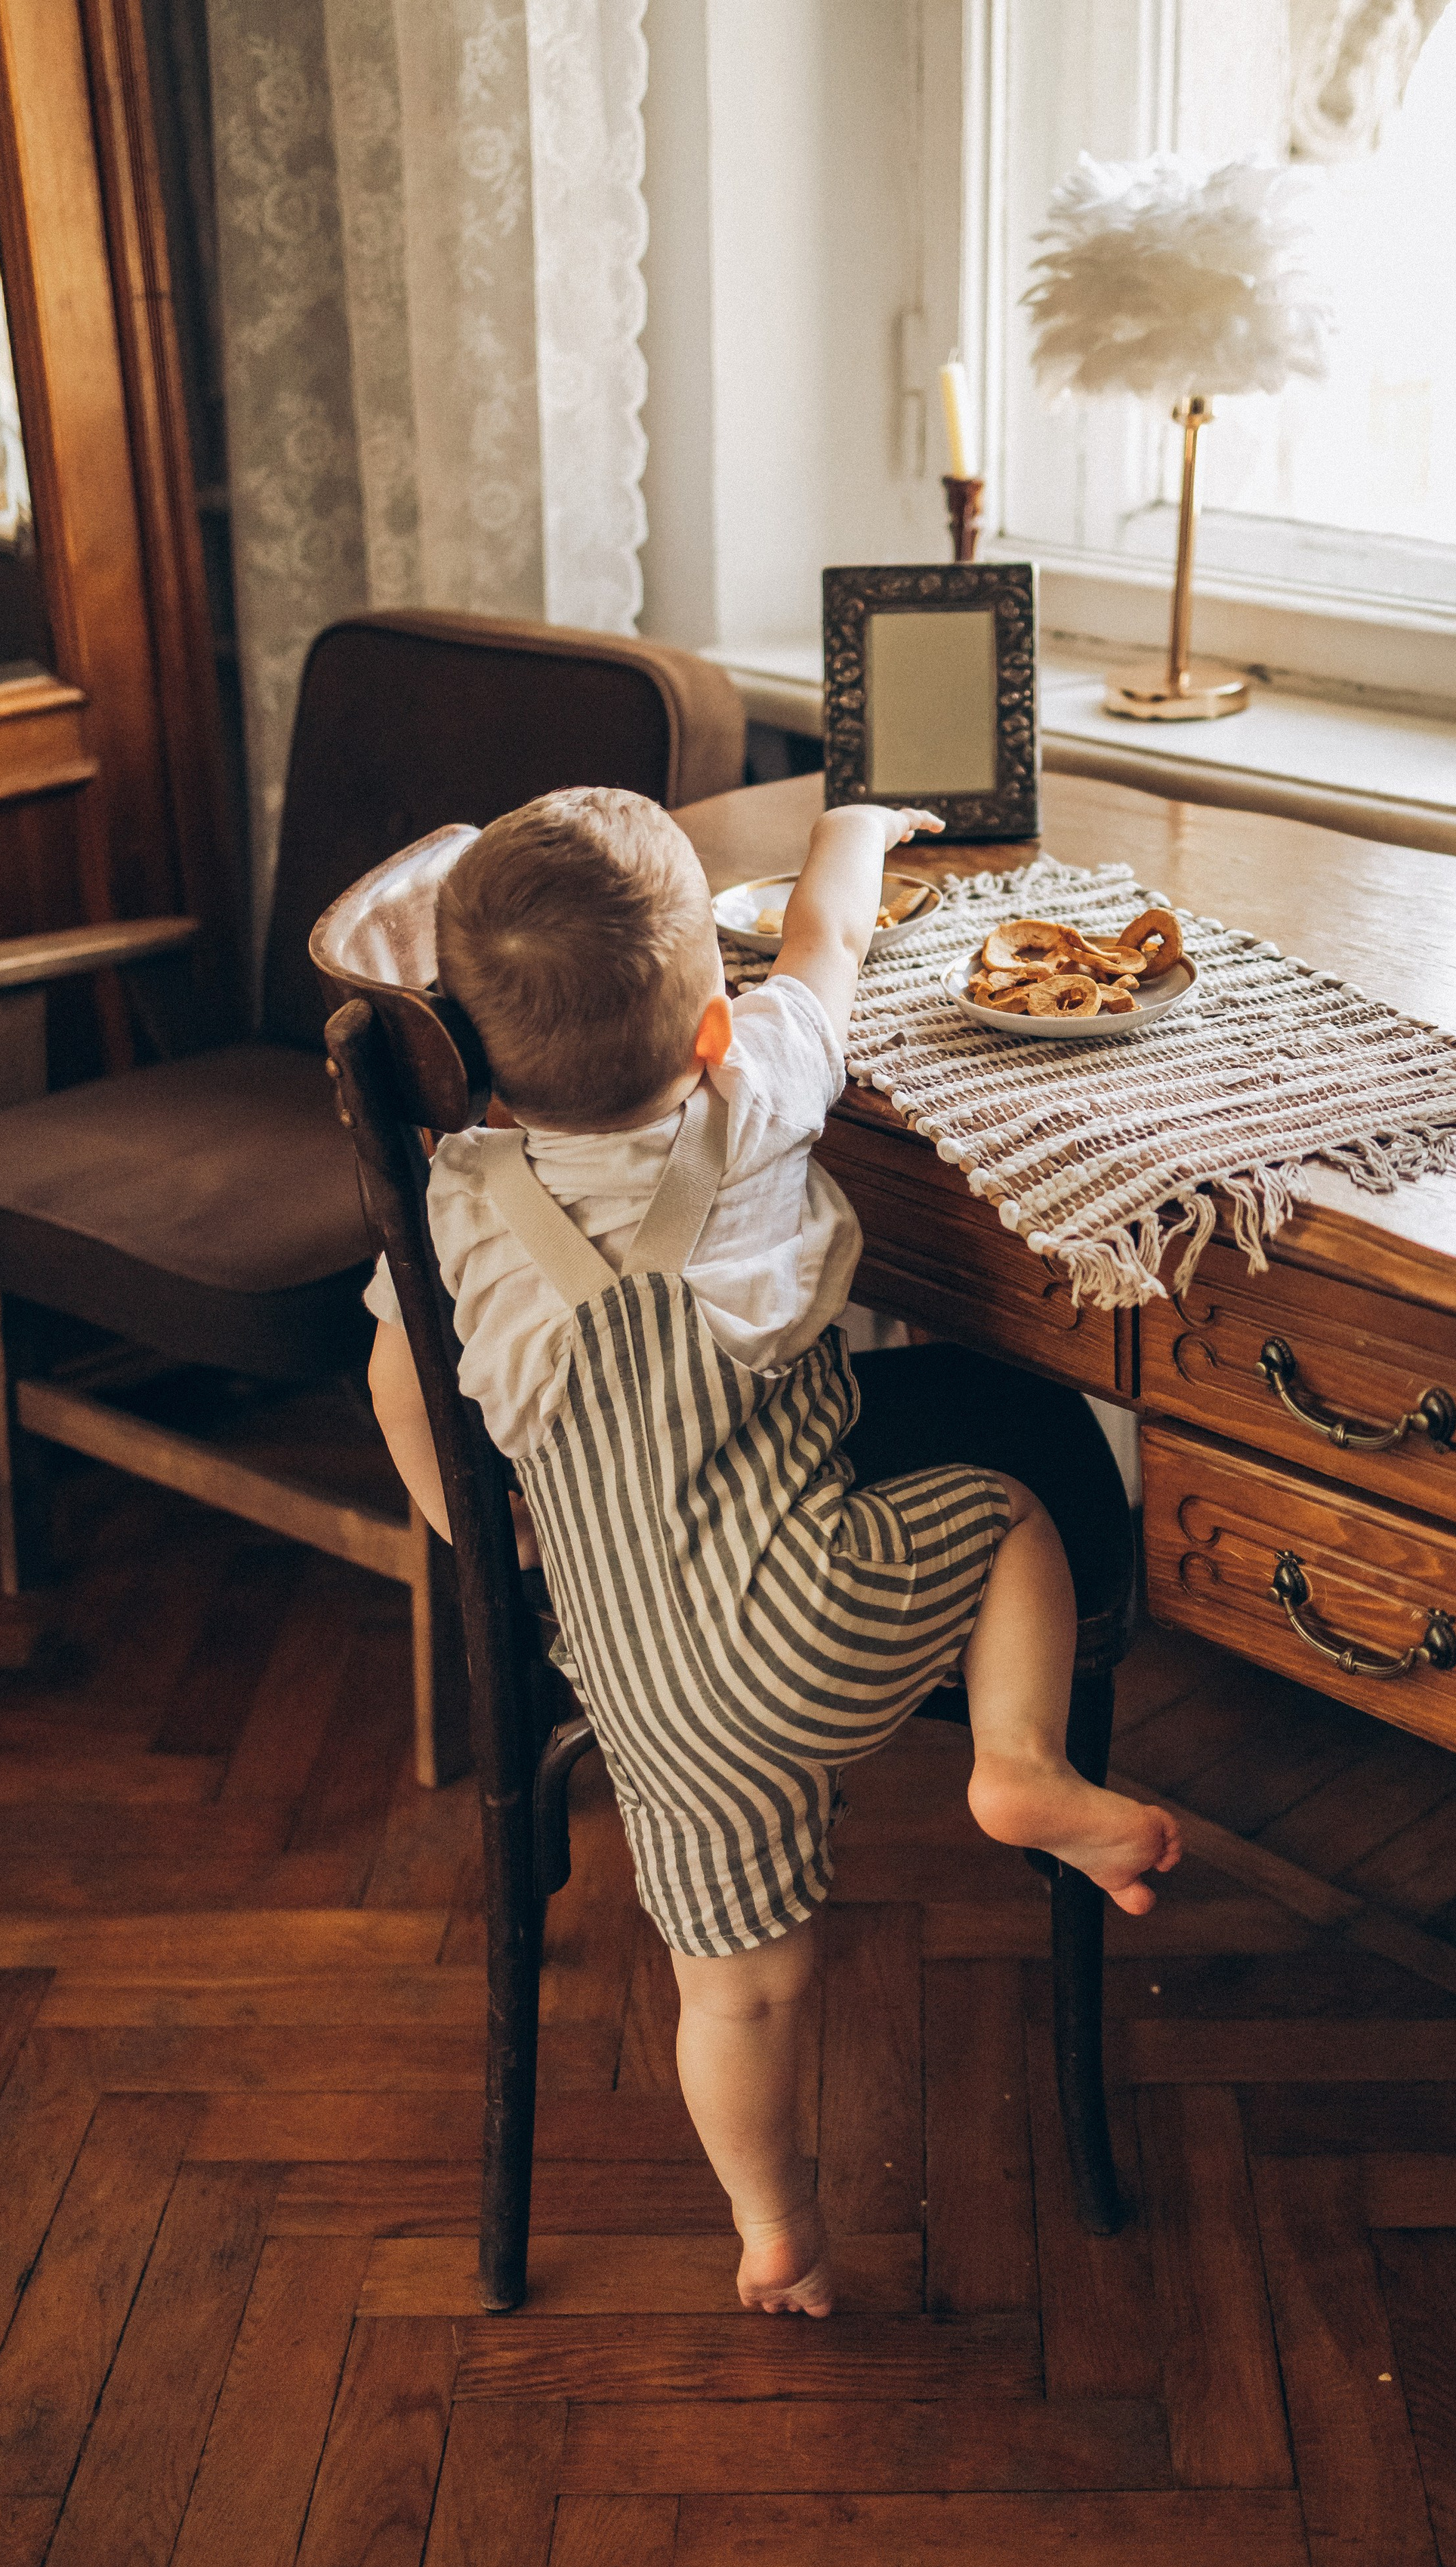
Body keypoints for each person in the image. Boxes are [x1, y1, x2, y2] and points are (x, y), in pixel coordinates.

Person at [366, 786, 1181, 2316]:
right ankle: (1013, 1757)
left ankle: (773, 2229)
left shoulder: (458, 1203)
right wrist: (859, 819)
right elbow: (825, 942)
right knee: (1005, 1505)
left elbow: (402, 1392)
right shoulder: (756, 1097)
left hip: (641, 1691)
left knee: (736, 1988)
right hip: (817, 1610)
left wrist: (492, 1543)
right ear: (709, 1033)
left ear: (479, 1063)